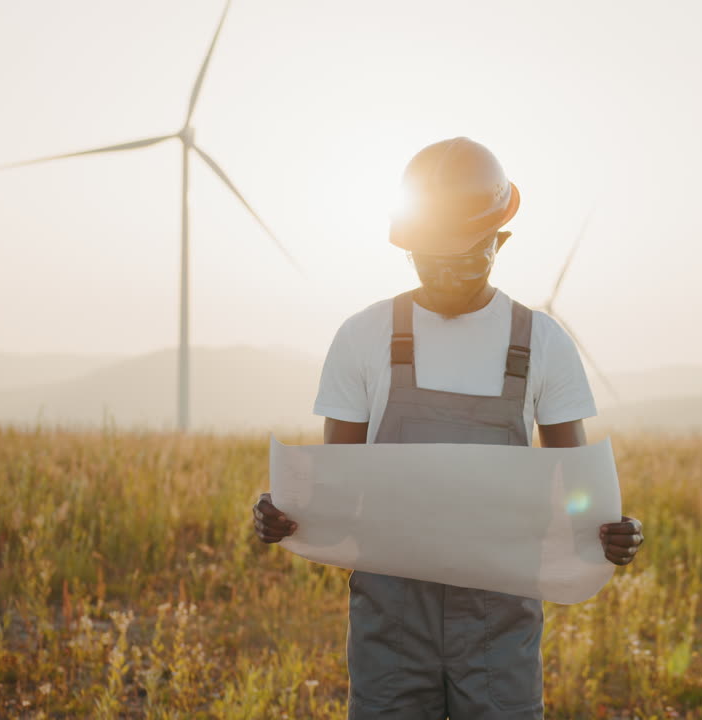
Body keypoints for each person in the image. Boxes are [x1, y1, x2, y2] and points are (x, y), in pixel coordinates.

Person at [253, 137, 644, 719]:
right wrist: (284, 513)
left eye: (462, 258)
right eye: (427, 257)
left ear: (499, 242)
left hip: (500, 622)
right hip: (390, 622)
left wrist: (612, 532)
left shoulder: (543, 343)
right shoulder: (362, 336)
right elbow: (338, 489)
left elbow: (578, 490)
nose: (442, 275)